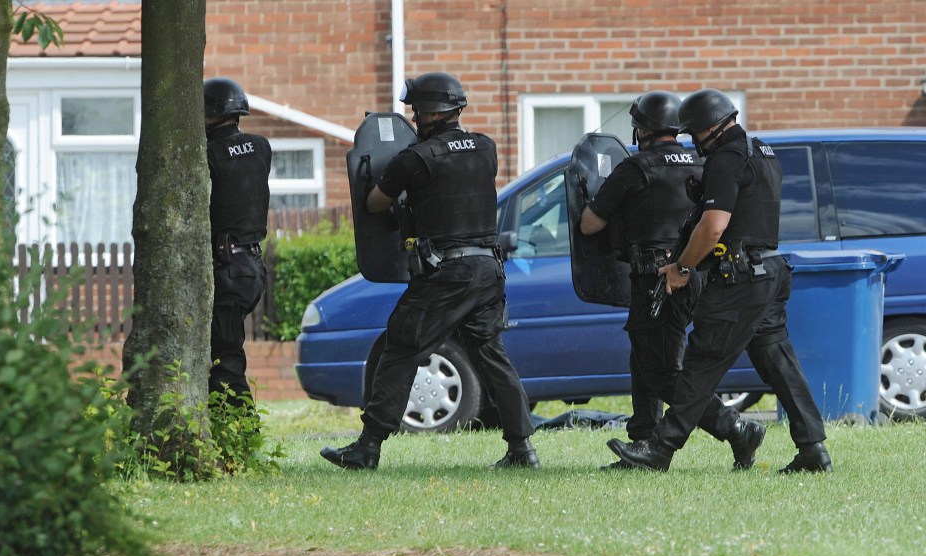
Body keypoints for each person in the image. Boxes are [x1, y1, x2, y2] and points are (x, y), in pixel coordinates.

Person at [606, 88, 832, 473]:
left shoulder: (727, 159)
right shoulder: (763, 152)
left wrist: (681, 268)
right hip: (771, 271)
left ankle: (660, 449)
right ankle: (813, 450)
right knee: (780, 364)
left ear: (711, 128)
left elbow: (713, 229)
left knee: (701, 361)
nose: (693, 143)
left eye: (694, 134)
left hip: (740, 277)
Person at [321, 72, 539, 470]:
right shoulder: (485, 148)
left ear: (425, 113)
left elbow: (374, 204)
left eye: (415, 111)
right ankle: (522, 450)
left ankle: (367, 448)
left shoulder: (415, 159)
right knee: (491, 354)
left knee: (401, 347)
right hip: (488, 269)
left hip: (446, 273)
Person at [580, 90, 765, 470]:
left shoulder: (637, 167)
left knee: (662, 371)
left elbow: (589, 224)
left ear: (642, 130)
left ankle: (735, 428)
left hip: (658, 277)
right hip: (696, 271)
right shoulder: (701, 162)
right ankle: (644, 440)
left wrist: (592, 195)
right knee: (644, 358)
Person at [203, 77, 271, 405]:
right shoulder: (261, 147)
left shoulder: (208, 154)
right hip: (253, 267)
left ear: (210, 115)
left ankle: (242, 434)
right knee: (224, 353)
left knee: (226, 360)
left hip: (228, 268)